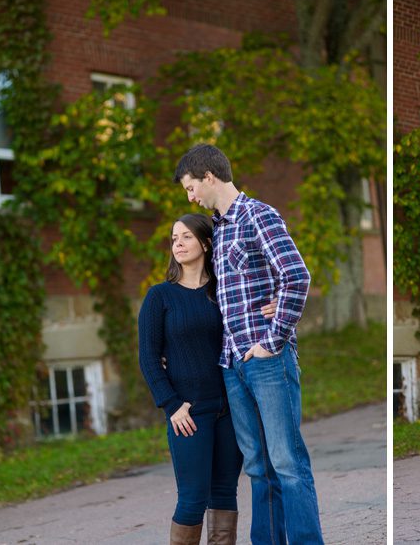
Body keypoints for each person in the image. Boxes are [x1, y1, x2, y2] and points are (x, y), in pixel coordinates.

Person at [174, 143, 324, 544]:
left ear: (208, 177)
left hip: (267, 359)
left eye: (191, 188)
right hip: (233, 363)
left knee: (288, 461)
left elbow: (296, 276)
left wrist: (272, 341)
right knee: (258, 466)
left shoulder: (258, 215)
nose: (190, 197)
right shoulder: (217, 231)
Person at [138, 213, 244, 545]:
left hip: (229, 408)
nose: (178, 244)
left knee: (225, 493)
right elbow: (149, 358)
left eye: (185, 237)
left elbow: (245, 327)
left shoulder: (223, 291)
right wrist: (171, 405)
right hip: (189, 413)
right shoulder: (160, 297)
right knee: (193, 498)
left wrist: (272, 305)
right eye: (174, 238)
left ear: (205, 242)